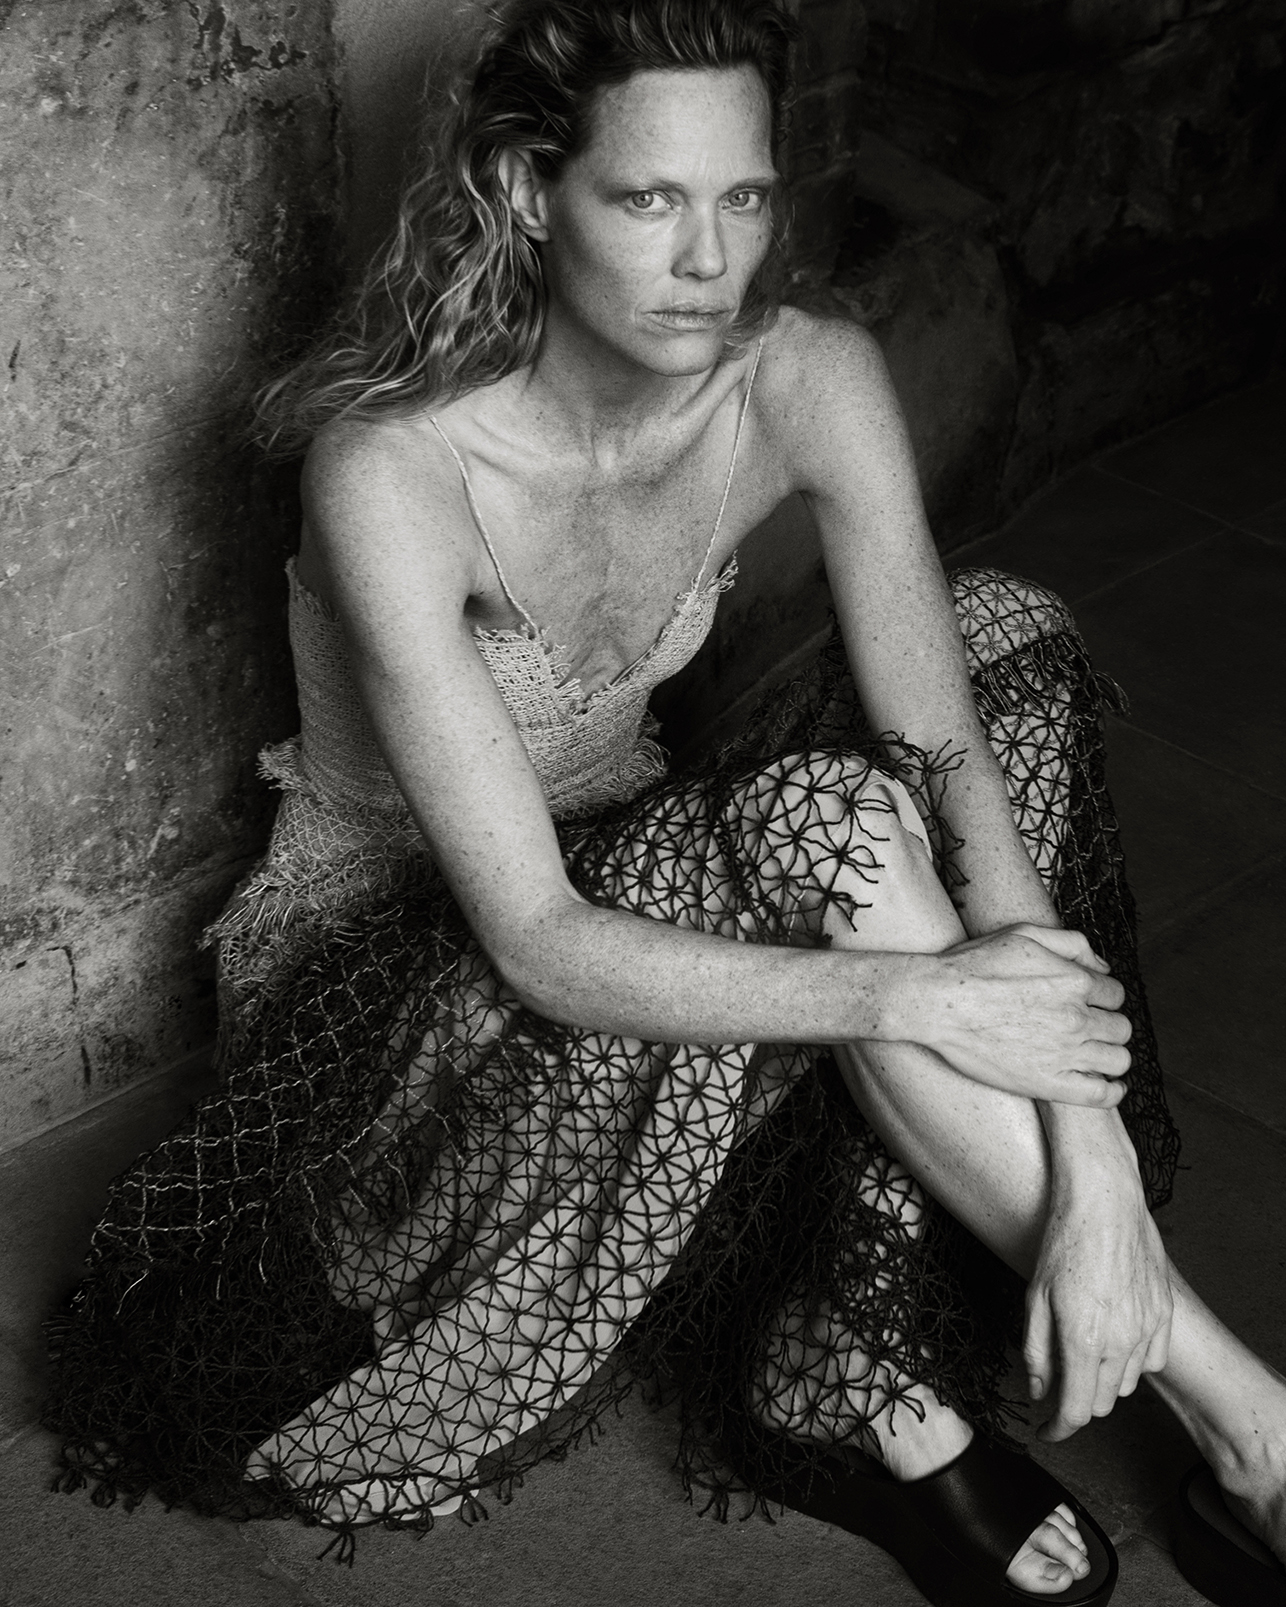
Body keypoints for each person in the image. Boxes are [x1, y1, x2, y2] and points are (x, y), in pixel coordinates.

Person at [44, 2, 1286, 1603]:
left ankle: (883, 1339)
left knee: (995, 640)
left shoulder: (805, 376)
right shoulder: (395, 469)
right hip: (415, 978)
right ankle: (1234, 1417)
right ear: (526, 193)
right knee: (830, 832)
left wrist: (1095, 1165)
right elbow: (538, 938)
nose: (709, 259)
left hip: (656, 860)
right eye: (647, 199)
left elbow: (947, 755)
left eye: (742, 197)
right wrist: (921, 996)